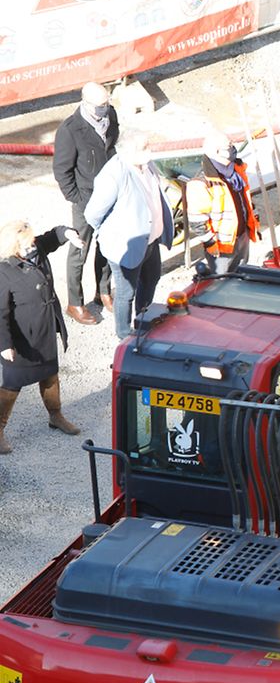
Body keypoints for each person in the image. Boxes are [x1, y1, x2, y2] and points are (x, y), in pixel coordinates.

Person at [0, 220, 85, 454]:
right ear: (14, 247)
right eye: (27, 245)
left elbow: (54, 235)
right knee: (13, 383)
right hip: (22, 338)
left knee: (50, 373)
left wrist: (68, 233)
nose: (33, 247)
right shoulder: (4, 271)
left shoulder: (36, 248)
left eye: (32, 242)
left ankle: (55, 416)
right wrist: (4, 344)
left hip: (44, 328)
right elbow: (0, 313)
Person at [84, 132, 175, 339]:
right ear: (126, 151)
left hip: (150, 242)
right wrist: (111, 234)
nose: (148, 151)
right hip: (127, 246)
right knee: (126, 293)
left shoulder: (147, 165)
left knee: (151, 279)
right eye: (143, 148)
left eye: (148, 146)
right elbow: (92, 214)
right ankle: (124, 335)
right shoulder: (113, 175)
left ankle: (143, 321)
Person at [52, 81, 119, 325]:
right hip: (85, 199)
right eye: (101, 105)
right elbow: (62, 171)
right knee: (79, 249)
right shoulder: (70, 130)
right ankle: (74, 303)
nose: (105, 108)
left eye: (107, 103)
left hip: (109, 193)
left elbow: (111, 146)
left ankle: (103, 291)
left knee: (107, 244)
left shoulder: (110, 115)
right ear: (86, 102)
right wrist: (78, 200)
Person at [186, 131, 260, 274]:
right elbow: (197, 221)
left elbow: (246, 199)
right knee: (221, 283)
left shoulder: (237, 170)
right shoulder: (201, 183)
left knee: (240, 278)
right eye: (229, 146)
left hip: (242, 236)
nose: (233, 148)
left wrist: (253, 223)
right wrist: (210, 244)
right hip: (222, 247)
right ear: (216, 151)